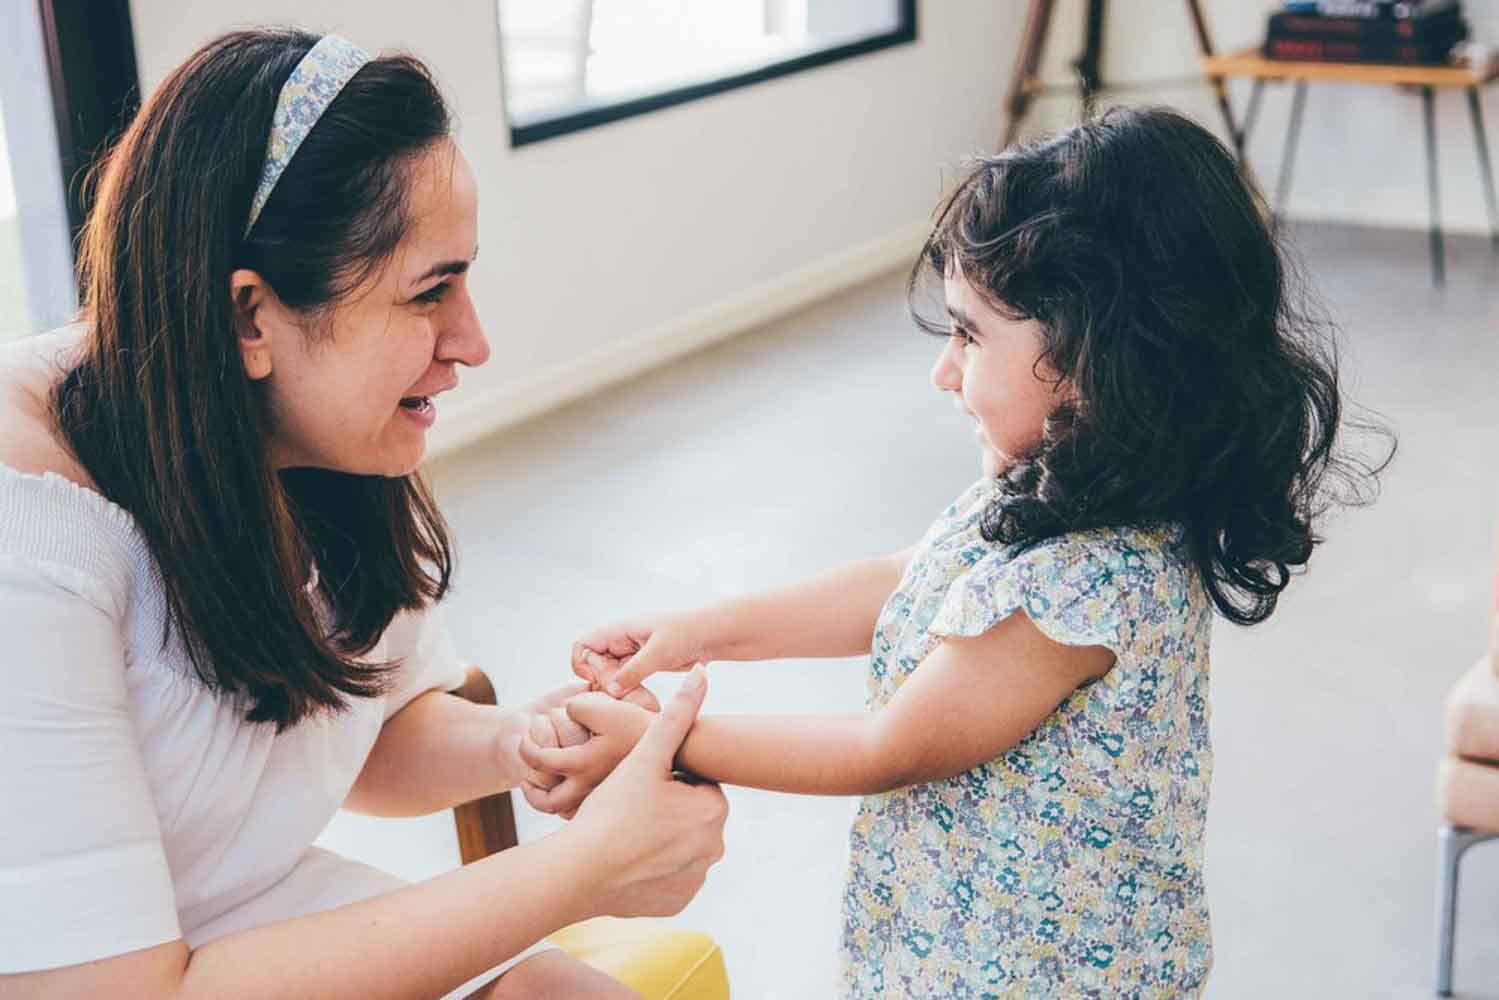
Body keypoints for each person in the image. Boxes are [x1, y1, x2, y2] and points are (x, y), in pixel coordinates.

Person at [519, 107, 1388, 996]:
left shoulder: (1090, 581)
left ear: (1097, 359)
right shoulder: (1052, 483)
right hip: (951, 944)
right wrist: (699, 632)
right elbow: (903, 582)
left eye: (969, 335)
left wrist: (664, 742)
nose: (942, 371)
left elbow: (886, 748)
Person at [0, 29, 726, 999]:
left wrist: (522, 743)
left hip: (234, 920)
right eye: (430, 293)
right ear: (250, 316)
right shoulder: (31, 544)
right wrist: (582, 870)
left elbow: (377, 723)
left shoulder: (304, 432)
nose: (473, 341)